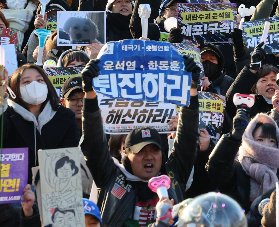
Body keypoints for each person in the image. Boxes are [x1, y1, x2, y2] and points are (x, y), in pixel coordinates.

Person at [79, 57, 201, 227]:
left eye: (154, 150)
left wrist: (192, 87)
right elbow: (93, 144)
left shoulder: (173, 175)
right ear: (125, 153)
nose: (149, 156)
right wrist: (90, 93)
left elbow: (188, 139)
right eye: (140, 151)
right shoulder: (110, 177)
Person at [0, 64, 80, 181]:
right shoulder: (7, 115)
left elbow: (70, 153)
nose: (35, 85)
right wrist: (0, 95)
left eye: (40, 80)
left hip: (56, 186)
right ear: (15, 88)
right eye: (26, 82)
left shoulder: (65, 116)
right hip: (16, 188)